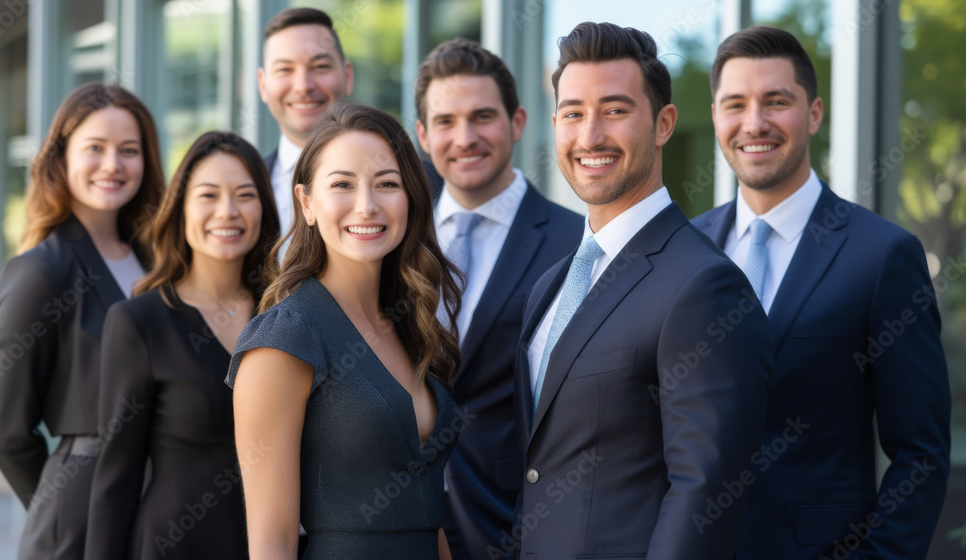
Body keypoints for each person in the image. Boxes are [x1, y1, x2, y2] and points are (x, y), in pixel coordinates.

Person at [511, 22, 773, 559]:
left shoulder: (704, 286)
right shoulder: (549, 286)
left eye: (614, 110)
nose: (590, 137)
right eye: (573, 113)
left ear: (663, 123)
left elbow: (703, 494)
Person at [691, 26, 951, 560]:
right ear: (716, 116)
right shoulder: (681, 249)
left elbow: (920, 456)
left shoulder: (882, 256)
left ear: (813, 113)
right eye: (735, 104)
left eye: (777, 101)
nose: (755, 123)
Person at [228, 101, 462, 559]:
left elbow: (426, 519)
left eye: (387, 184)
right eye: (342, 185)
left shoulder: (411, 324)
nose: (367, 205)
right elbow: (271, 544)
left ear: (411, 199)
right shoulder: (283, 340)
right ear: (307, 203)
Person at [413, 38, 582, 560]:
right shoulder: (394, 239)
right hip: (395, 521)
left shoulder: (575, 242)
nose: (464, 138)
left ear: (517, 122)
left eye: (482, 117)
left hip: (516, 523)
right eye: (445, 121)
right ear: (422, 134)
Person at [85, 131, 280, 559]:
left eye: (245, 195)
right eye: (208, 195)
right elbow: (116, 479)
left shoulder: (288, 316)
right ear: (181, 209)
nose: (227, 212)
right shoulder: (140, 322)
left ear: (264, 208)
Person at [0, 83, 165, 559]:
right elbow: (6, 433)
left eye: (129, 151)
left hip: (161, 505)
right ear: (61, 158)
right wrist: (60, 504)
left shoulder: (158, 260)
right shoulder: (40, 270)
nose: (113, 165)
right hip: (81, 513)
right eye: (96, 148)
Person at [258, 7, 353, 236]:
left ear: (347, 76)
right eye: (284, 69)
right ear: (263, 85)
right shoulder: (249, 187)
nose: (303, 86)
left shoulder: (420, 183)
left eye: (320, 66)